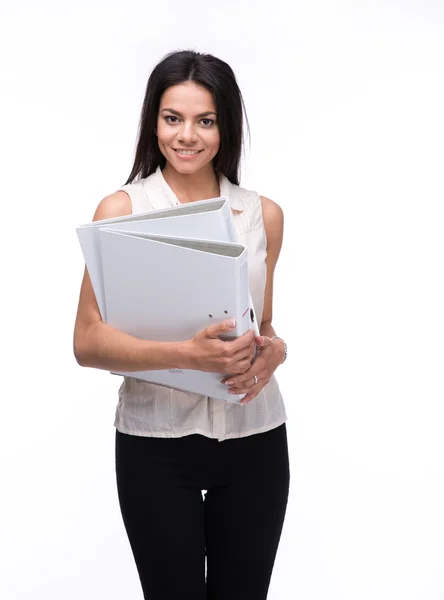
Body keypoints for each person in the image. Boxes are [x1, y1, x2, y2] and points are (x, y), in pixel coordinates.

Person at [73, 49, 290, 600]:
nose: (187, 135)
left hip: (255, 439)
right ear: (153, 122)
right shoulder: (121, 211)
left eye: (206, 120)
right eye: (173, 118)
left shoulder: (262, 213)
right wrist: (188, 356)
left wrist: (276, 350)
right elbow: (88, 341)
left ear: (226, 127)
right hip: (156, 443)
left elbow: (263, 324)